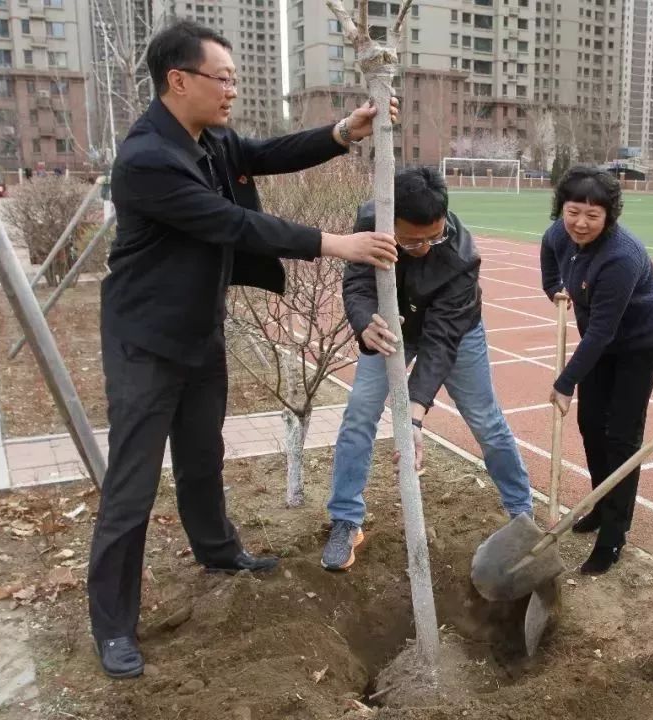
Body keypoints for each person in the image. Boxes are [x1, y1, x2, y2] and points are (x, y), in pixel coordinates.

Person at [88, 19, 400, 680]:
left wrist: (344, 132)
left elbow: (263, 153)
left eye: (233, 78)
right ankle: (113, 625)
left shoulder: (209, 138)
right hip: (145, 342)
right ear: (179, 80)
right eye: (221, 79)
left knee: (203, 455)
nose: (232, 90)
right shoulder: (148, 158)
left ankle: (218, 550)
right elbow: (232, 221)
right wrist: (336, 243)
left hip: (199, 329)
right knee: (132, 485)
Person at [322, 166, 534, 570]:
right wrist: (365, 321)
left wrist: (414, 416)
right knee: (358, 417)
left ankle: (522, 515)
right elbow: (357, 284)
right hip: (387, 327)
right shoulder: (371, 221)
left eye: (433, 236)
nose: (424, 246)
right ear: (390, 221)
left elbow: (440, 342)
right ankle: (346, 520)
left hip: (454, 332)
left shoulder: (460, 257)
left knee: (486, 421)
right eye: (412, 239)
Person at [540, 165, 653, 575]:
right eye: (572, 212)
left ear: (609, 216)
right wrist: (552, 287)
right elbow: (549, 254)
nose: (580, 223)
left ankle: (614, 536)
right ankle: (599, 504)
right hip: (601, 342)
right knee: (590, 425)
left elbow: (601, 332)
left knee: (621, 437)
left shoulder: (620, 257)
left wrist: (564, 383)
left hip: (637, 343)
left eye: (592, 215)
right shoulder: (559, 233)